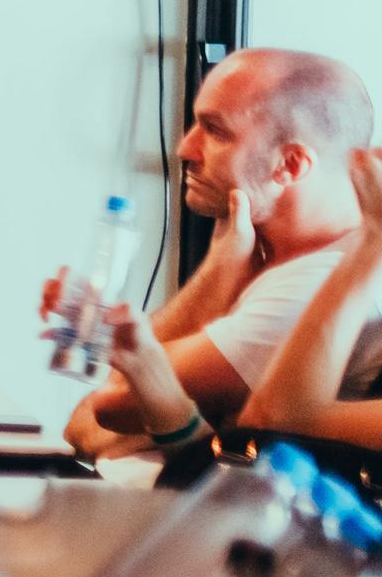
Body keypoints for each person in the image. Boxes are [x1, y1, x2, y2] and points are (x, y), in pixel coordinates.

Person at [62, 48, 371, 458]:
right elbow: (84, 426)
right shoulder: (270, 259)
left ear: (291, 165)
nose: (184, 148)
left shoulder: (314, 284)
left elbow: (109, 405)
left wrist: (218, 273)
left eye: (215, 130)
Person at [104, 142, 382, 457]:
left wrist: (374, 239)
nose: (186, 148)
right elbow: (236, 449)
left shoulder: (326, 275)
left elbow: (273, 422)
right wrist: (147, 368)